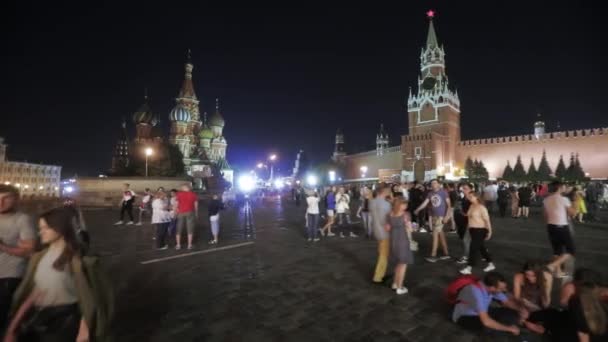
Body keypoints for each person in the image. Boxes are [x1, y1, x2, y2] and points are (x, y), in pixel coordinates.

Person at [5, 208, 112, 342]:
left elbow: (90, 298)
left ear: (61, 228)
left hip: (66, 321)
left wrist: (83, 332)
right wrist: (12, 328)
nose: (40, 232)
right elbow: (34, 294)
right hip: (39, 318)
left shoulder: (79, 261)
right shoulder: (39, 258)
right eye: (40, 228)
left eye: (46, 228)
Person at [0, 185, 36, 333]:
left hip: (9, 275)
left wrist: (2, 246)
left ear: (16, 200)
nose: (1, 203)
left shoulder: (22, 219)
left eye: (6, 198)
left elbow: (29, 251)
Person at [452, 272, 525, 336]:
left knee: (512, 312)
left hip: (482, 311)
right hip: (465, 317)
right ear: (492, 288)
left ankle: (502, 325)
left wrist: (520, 310)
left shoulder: (491, 288)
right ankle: (503, 326)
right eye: (501, 288)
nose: (504, 290)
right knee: (489, 328)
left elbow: (506, 302)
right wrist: (509, 329)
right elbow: (486, 321)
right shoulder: (476, 293)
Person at [544, 181, 577, 278]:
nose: (565, 188)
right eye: (563, 186)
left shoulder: (546, 199)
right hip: (562, 226)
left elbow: (545, 216)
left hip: (550, 226)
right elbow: (572, 214)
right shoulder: (564, 199)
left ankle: (557, 272)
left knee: (556, 251)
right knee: (571, 251)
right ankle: (552, 265)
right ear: (559, 187)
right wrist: (575, 202)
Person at [414, 179, 451, 263]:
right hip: (435, 216)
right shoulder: (430, 194)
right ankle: (446, 253)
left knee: (435, 235)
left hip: (441, 217)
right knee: (441, 235)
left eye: (435, 183)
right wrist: (418, 209)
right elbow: (425, 203)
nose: (433, 184)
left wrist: (447, 216)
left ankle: (433, 255)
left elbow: (449, 205)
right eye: (432, 183)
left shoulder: (443, 192)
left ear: (439, 184)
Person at [460, 192, 496, 274]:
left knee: (473, 248)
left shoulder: (482, 208)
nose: (469, 197)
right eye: (469, 196)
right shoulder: (472, 206)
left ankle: (469, 268)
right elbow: (469, 215)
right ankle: (491, 264)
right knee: (481, 248)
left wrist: (490, 231)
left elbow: (487, 220)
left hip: (480, 230)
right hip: (472, 230)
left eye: (471, 196)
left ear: (477, 197)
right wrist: (462, 213)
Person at [385, 198, 414, 295]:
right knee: (402, 265)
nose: (406, 206)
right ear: (399, 205)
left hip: (393, 241)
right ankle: (400, 287)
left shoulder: (389, 214)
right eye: (404, 204)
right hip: (402, 241)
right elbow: (410, 229)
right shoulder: (406, 215)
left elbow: (387, 228)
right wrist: (411, 226)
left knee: (398, 264)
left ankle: (395, 283)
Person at [370, 184, 392, 284]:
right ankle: (378, 277)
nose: (390, 191)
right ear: (385, 191)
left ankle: (380, 274)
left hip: (376, 230)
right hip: (384, 232)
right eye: (388, 190)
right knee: (383, 255)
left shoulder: (373, 201)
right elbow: (385, 220)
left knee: (381, 252)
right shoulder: (385, 204)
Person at [175, 184, 198, 250]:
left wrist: (175, 212)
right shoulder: (193, 194)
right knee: (190, 229)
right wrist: (196, 213)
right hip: (190, 212)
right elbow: (196, 205)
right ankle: (189, 245)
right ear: (188, 188)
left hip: (180, 212)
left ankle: (178, 245)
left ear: (183, 188)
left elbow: (176, 204)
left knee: (178, 228)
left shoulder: (179, 194)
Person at [455, 183, 473, 265]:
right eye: (462, 188)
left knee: (466, 240)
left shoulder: (472, 198)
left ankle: (466, 257)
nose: (463, 190)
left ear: (470, 189)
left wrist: (462, 212)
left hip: (471, 222)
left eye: (465, 188)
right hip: (463, 222)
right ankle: (483, 254)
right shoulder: (463, 197)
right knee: (469, 239)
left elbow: (473, 211)